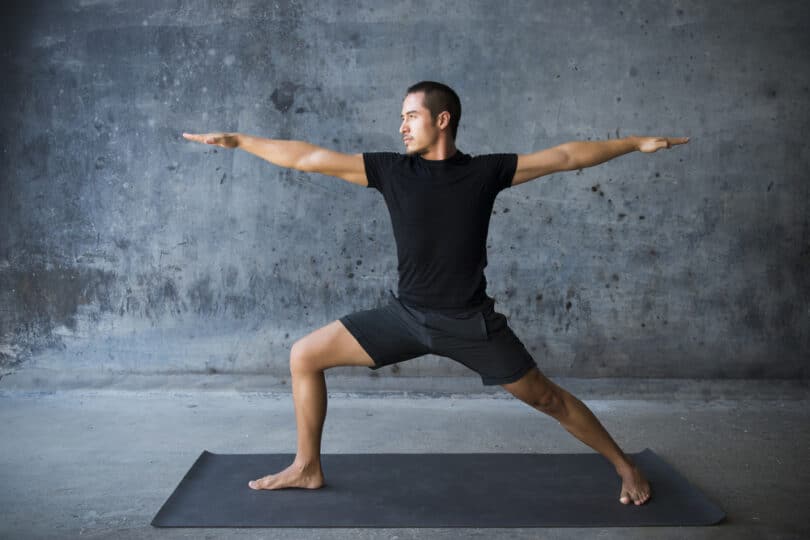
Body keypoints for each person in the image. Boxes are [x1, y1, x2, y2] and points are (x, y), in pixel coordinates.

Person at [183, 80, 688, 506]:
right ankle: (306, 466)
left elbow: (567, 156)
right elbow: (309, 158)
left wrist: (636, 141)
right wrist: (241, 140)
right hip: (405, 317)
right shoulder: (391, 170)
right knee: (304, 356)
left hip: (469, 323)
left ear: (442, 120)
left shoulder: (485, 172)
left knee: (549, 399)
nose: (401, 125)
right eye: (400, 118)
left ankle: (624, 466)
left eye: (410, 116)